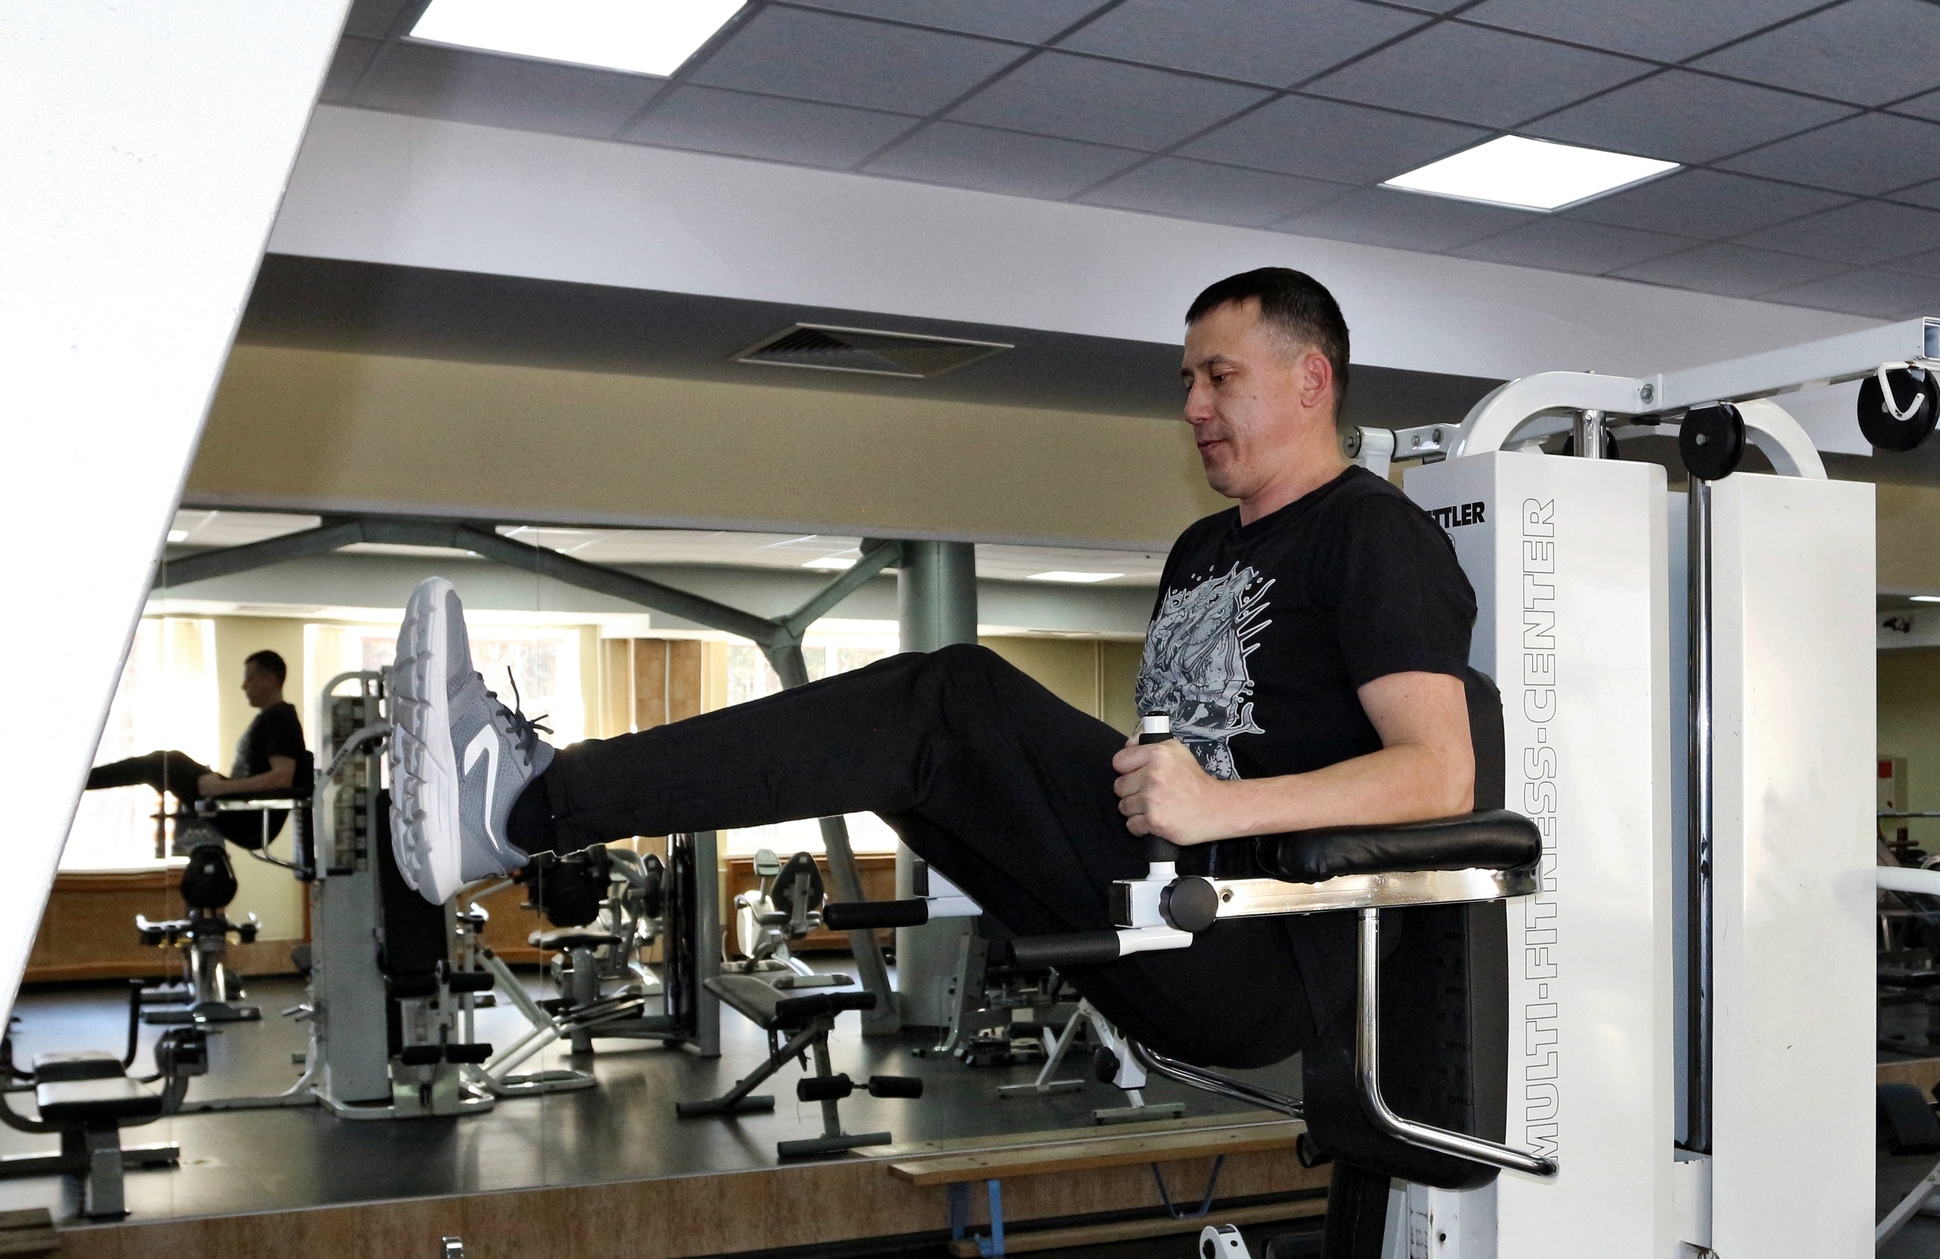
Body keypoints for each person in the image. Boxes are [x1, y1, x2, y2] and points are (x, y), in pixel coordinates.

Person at [384, 267, 1478, 1077]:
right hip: (1161, 898)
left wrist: (1219, 807)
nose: (1192, 405)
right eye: (1186, 380)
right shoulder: (1205, 548)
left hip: (1258, 943)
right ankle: (516, 812)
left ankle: (531, 803)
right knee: (910, 749)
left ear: (1309, 379)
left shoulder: (1371, 534)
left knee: (948, 699)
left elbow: (1439, 774)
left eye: (1218, 376)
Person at [86, 649, 308, 848]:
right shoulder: (270, 718)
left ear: (270, 679)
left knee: (163, 763)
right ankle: (86, 780)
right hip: (241, 806)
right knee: (167, 761)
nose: (244, 686)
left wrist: (221, 788)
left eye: (249, 678)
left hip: (250, 820)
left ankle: (82, 781)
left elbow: (282, 778)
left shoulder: (282, 719)